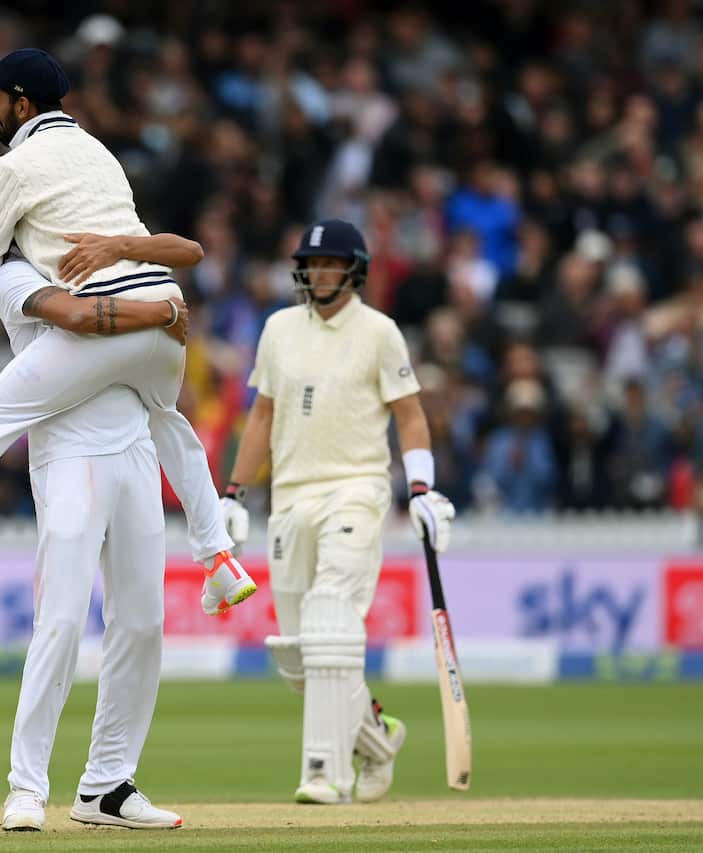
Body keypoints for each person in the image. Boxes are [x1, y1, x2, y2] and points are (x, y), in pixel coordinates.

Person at [0, 48, 256, 620]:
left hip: (105, 322)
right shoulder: (99, 153)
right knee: (169, 422)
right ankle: (220, 559)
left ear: (22, 103)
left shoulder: (13, 167)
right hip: (166, 311)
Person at [219, 219, 457, 804]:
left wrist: (422, 488)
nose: (321, 273)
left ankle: (326, 774)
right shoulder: (277, 329)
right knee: (300, 657)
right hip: (291, 498)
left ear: (354, 270)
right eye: (313, 264)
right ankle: (378, 738)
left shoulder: (380, 333)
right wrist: (231, 493)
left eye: (332, 264)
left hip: (357, 488)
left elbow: (410, 415)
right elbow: (261, 417)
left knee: (330, 615)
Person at [0, 255, 187, 831]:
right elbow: (76, 317)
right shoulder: (12, 273)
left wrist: (125, 262)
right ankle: (26, 787)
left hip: (135, 445)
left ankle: (107, 786)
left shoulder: (110, 255)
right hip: (68, 448)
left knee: (144, 621)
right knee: (63, 619)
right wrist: (163, 310)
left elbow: (184, 256)